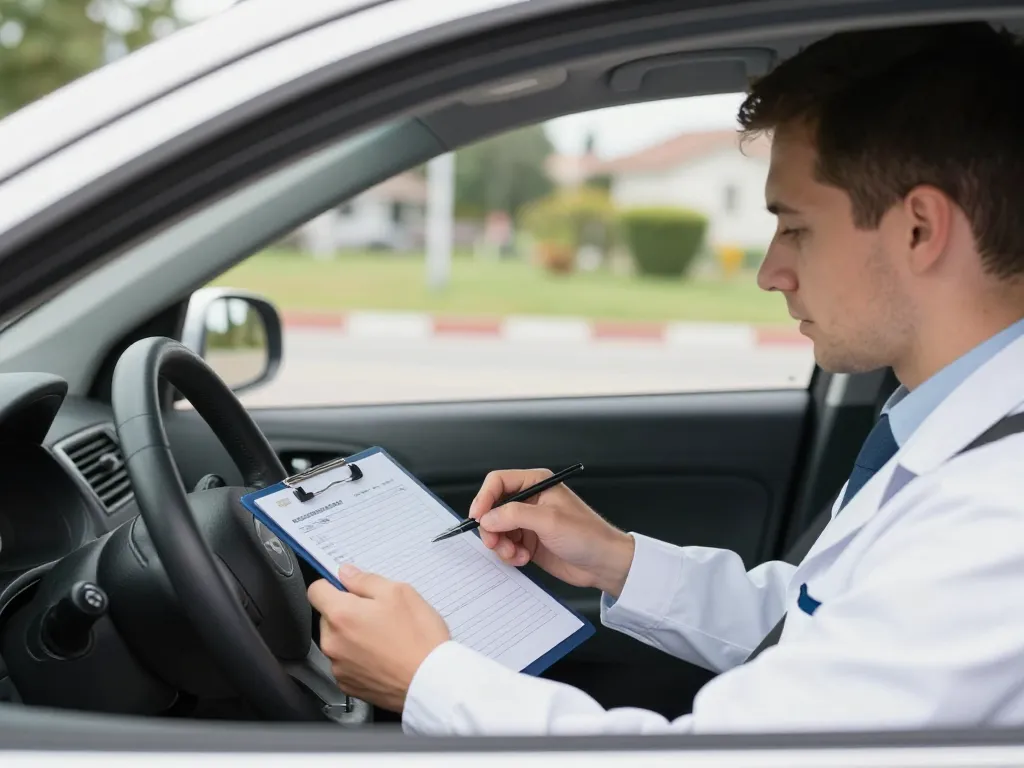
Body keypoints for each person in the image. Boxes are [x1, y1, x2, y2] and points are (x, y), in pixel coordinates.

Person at [307, 21, 1024, 734]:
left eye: (797, 227)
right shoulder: (946, 429)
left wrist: (430, 679)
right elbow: (824, 624)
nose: (771, 272)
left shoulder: (998, 515)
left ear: (920, 229)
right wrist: (617, 560)